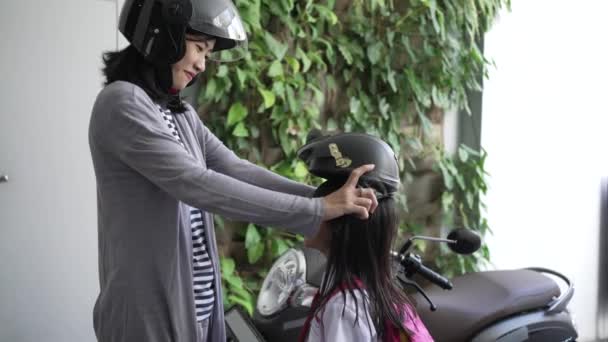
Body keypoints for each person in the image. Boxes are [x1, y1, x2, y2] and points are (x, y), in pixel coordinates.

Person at [88, 1, 378, 341]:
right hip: (145, 313)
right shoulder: (122, 103)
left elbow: (233, 167)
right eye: (199, 48)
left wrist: (319, 196)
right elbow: (195, 183)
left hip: (193, 309)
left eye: (207, 53)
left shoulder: (178, 114)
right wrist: (316, 210)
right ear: (162, 36)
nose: (201, 64)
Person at [296, 133, 434, 342]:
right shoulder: (370, 290)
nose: (311, 213)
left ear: (342, 225)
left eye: (322, 207)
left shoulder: (343, 307)